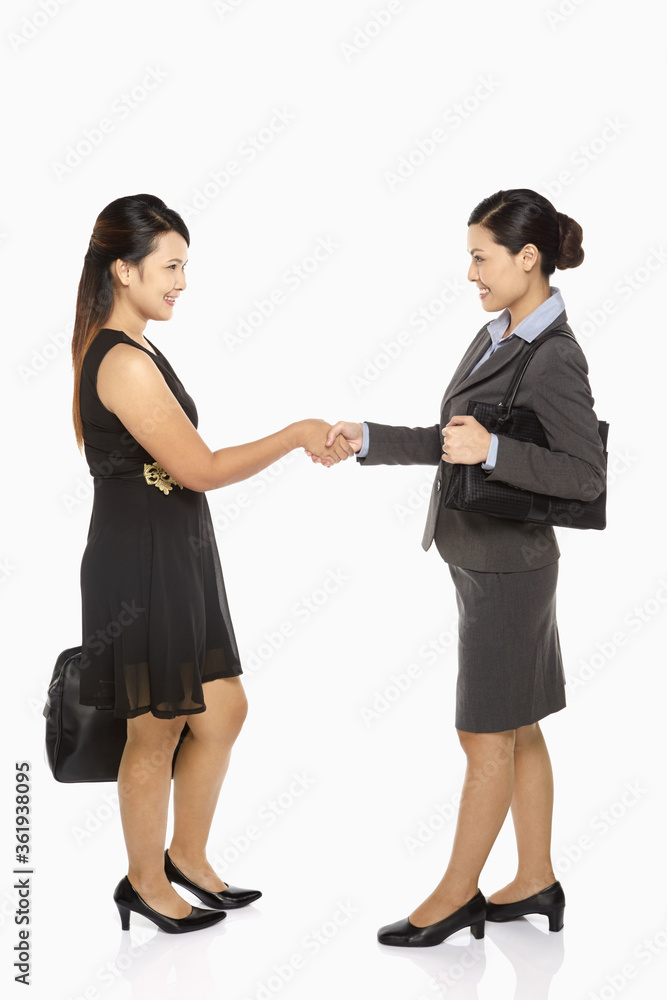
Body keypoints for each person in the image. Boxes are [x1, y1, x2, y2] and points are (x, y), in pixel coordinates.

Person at [308, 188, 606, 947]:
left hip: (509, 571)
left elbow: (586, 474)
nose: (469, 272)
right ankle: (534, 878)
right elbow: (453, 437)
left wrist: (498, 452)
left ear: (526, 258)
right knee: (518, 726)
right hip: (483, 561)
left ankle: (453, 897)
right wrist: (366, 437)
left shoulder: (553, 355)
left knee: (484, 736)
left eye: (480, 256)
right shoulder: (497, 334)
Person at [72, 193, 352, 934]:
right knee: (155, 729)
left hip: (176, 552)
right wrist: (296, 432)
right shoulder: (121, 361)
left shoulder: (140, 346)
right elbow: (197, 469)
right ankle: (142, 881)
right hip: (140, 565)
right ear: (123, 269)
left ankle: (185, 858)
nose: (182, 282)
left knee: (222, 708)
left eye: (184, 267)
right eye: (170, 266)